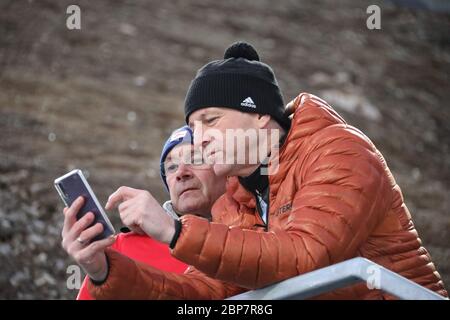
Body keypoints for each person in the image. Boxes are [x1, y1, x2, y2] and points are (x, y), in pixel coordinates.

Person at [76, 42, 447, 299]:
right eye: (194, 126)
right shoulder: (235, 198)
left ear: (258, 115)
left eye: (210, 120)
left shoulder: (338, 150)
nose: (199, 139)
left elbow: (302, 257)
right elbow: (204, 295)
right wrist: (102, 270)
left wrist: (173, 230)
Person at [61, 126, 227, 299]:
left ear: (227, 171)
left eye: (197, 159)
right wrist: (99, 271)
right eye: (171, 167)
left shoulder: (252, 231)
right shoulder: (118, 250)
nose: (181, 172)